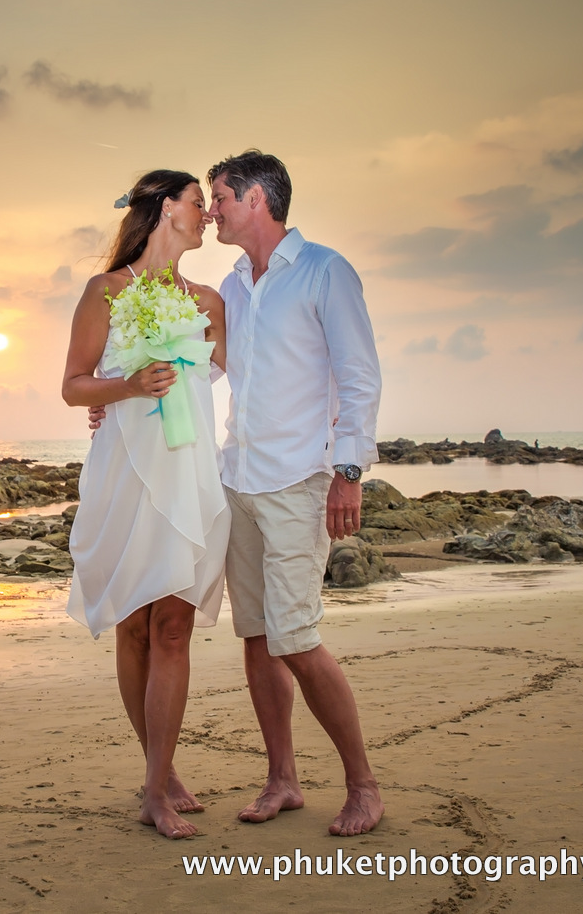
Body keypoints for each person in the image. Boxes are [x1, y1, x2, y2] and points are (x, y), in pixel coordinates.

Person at [208, 149, 385, 836]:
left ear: (256, 199)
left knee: (298, 640)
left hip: (298, 482)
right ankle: (282, 777)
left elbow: (359, 374)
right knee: (256, 637)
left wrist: (349, 472)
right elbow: (213, 370)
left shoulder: (324, 271)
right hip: (239, 481)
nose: (213, 209)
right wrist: (122, 395)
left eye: (220, 197)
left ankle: (363, 785)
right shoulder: (234, 284)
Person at [61, 169, 230, 840]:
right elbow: (74, 387)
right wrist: (126, 386)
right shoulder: (105, 291)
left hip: (189, 474)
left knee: (174, 628)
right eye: (198, 203)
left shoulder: (211, 301)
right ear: (167, 208)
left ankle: (156, 790)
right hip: (127, 474)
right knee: (134, 628)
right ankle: (158, 771)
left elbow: (247, 377)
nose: (207, 215)